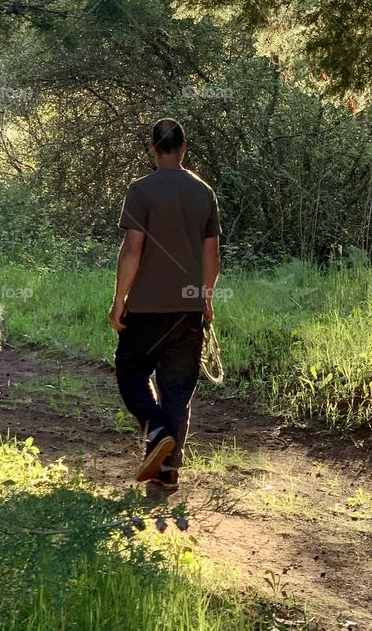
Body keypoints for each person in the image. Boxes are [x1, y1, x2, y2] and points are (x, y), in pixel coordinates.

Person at [109, 117, 221, 493]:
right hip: (187, 310)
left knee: (129, 372)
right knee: (177, 389)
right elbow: (212, 255)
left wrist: (119, 300)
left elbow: (132, 250)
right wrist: (205, 299)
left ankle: (155, 430)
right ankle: (168, 472)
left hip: (145, 308)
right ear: (184, 148)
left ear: (154, 148)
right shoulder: (204, 192)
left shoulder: (141, 191)